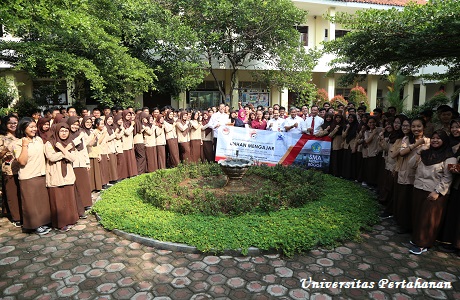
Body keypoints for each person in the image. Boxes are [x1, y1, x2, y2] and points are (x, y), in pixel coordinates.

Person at [409, 130, 456, 255]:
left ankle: (423, 244)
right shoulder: (425, 153)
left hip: (434, 193)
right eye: (433, 138)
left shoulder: (449, 157)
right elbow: (411, 165)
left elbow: (448, 177)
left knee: (428, 219)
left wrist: (437, 191)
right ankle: (417, 239)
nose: (435, 140)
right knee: (419, 216)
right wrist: (419, 151)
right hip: (419, 188)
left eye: (438, 138)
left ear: (444, 141)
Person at [13, 118, 52, 235]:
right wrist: (25, 145)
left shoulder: (39, 140)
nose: (34, 129)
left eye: (35, 126)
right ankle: (35, 225)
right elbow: (22, 162)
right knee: (31, 203)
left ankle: (43, 222)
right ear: (23, 128)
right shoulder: (17, 143)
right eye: (31, 127)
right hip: (28, 176)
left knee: (41, 201)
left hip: (41, 174)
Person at [394, 118, 430, 234]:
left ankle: (413, 226)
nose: (416, 129)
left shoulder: (429, 141)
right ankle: (403, 224)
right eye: (413, 126)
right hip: (406, 172)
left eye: (418, 126)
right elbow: (402, 152)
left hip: (421, 174)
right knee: (404, 200)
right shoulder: (407, 139)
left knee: (415, 201)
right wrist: (417, 144)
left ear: (424, 127)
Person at [44, 122, 79, 232]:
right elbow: (51, 157)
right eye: (62, 131)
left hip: (68, 174)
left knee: (68, 198)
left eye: (66, 131)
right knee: (58, 200)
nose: (64, 133)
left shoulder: (69, 143)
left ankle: (70, 219)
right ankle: (60, 223)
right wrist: (66, 152)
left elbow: (73, 158)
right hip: (55, 174)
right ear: (57, 131)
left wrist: (63, 150)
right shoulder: (50, 143)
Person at [439, 119, 460, 253]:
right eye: (453, 127)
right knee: (452, 213)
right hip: (451, 183)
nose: (455, 130)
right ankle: (449, 240)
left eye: (458, 127)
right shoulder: (448, 143)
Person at [67, 116, 92, 213]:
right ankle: (78, 205)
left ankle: (86, 203)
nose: (75, 127)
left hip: (81, 161)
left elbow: (84, 148)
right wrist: (79, 137)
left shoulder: (79, 134)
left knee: (84, 184)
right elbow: (70, 145)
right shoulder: (67, 134)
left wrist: (87, 162)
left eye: (77, 125)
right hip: (73, 163)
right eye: (73, 124)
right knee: (76, 184)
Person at [0, 115, 21, 227]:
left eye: (15, 122)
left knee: (21, 193)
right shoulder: (2, 138)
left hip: (23, 169)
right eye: (10, 123)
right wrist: (5, 149)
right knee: (12, 194)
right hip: (9, 170)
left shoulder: (20, 136)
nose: (13, 125)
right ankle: (16, 217)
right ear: (5, 124)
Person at [121, 110, 138, 177]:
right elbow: (127, 133)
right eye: (127, 115)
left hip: (130, 143)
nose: (129, 117)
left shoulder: (129, 123)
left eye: (130, 115)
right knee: (126, 160)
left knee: (131, 159)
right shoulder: (122, 123)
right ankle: (126, 174)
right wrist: (132, 126)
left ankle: (132, 173)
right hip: (124, 144)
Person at [104, 115, 119, 183]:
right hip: (108, 148)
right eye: (108, 119)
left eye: (111, 119)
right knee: (111, 165)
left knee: (113, 164)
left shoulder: (112, 128)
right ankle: (111, 179)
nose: (110, 121)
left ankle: (114, 178)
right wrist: (115, 133)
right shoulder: (105, 128)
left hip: (113, 148)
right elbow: (108, 139)